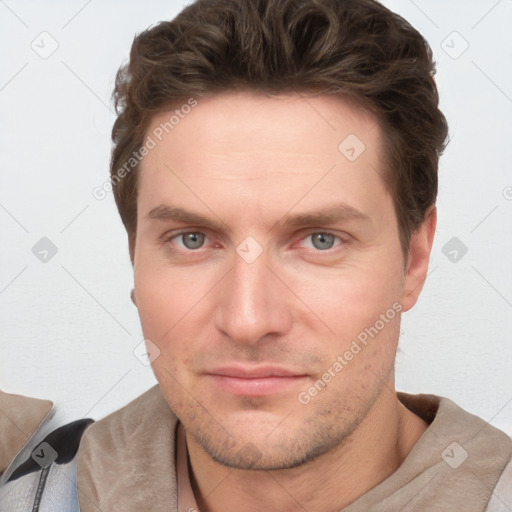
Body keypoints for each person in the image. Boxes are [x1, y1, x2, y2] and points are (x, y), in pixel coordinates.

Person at [1, 0, 511, 510]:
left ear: (414, 260)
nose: (247, 321)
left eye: (320, 240)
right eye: (192, 239)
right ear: (135, 256)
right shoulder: (32, 489)